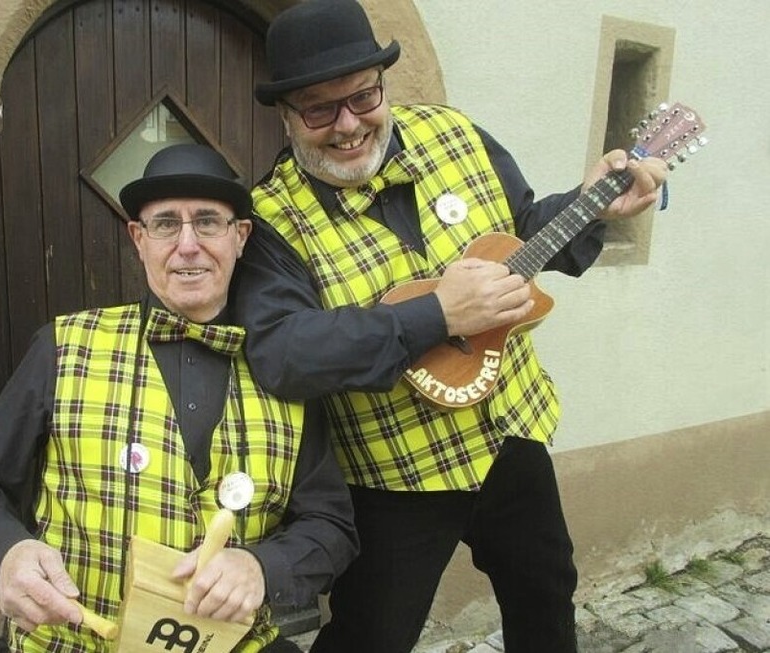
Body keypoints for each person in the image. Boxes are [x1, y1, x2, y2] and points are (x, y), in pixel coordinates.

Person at [232, 1, 670, 652]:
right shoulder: (269, 220)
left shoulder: (457, 135)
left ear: (383, 84)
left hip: (509, 432)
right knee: (371, 636)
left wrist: (593, 210)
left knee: (546, 591)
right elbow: (286, 354)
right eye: (320, 109)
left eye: (362, 96)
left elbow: (520, 229)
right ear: (287, 114)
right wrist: (438, 314)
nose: (348, 124)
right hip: (393, 475)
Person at [0, 143, 358, 653]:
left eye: (207, 222)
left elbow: (332, 526)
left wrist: (262, 567)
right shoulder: (64, 346)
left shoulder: (286, 370)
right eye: (165, 224)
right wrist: (7, 551)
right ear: (139, 238)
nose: (187, 245)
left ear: (240, 237)